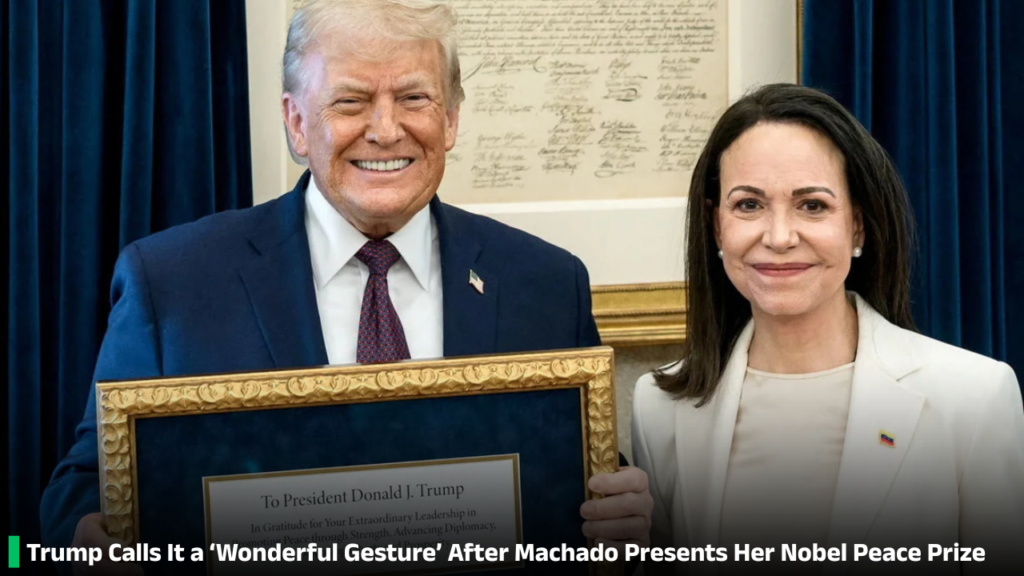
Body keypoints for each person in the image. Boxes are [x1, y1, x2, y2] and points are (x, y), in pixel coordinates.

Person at [40, 1, 652, 573]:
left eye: (414, 98)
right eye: (351, 101)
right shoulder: (172, 282)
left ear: (450, 119)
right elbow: (85, 486)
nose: (385, 131)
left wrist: (624, 518)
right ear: (296, 123)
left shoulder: (546, 284)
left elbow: (582, 481)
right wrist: (88, 537)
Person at [631, 83, 1024, 575]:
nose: (779, 237)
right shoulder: (660, 407)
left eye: (812, 205)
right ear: (716, 228)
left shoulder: (974, 397)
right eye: (748, 205)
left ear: (857, 225)